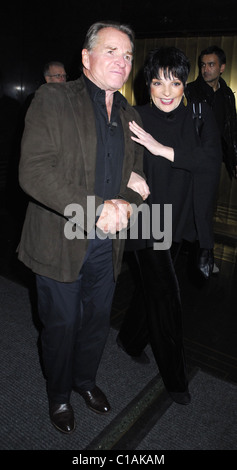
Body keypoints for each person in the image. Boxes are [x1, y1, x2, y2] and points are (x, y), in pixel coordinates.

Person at [17, 20, 149, 434]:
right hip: (61, 235)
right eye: (111, 51)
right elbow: (34, 172)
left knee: (96, 320)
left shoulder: (130, 114)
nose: (121, 61)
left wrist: (124, 206)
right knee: (61, 325)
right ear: (86, 57)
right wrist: (97, 210)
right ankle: (58, 395)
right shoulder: (54, 98)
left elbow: (139, 181)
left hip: (107, 242)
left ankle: (84, 381)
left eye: (127, 55)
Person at [116, 46, 222, 405]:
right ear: (147, 83)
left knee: (154, 289)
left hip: (181, 219)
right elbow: (112, 158)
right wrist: (128, 173)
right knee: (166, 297)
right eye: (158, 82)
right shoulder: (135, 115)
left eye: (174, 82)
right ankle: (176, 380)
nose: (165, 91)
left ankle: (129, 339)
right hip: (147, 219)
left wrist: (163, 150)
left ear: (184, 85)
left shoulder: (199, 113)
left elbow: (211, 159)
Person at [186, 45, 237, 180]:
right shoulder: (189, 91)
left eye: (211, 65)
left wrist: (234, 158)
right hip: (192, 156)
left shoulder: (227, 94)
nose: (205, 69)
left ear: (222, 68)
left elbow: (232, 127)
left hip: (216, 157)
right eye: (203, 65)